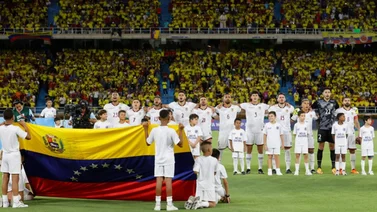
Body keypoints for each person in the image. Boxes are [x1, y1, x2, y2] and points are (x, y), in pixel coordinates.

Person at [144, 110, 184, 211]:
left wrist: (145, 129)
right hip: (169, 158)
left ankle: (157, 205)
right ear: (169, 118)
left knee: (158, 180)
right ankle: (169, 204)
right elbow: (181, 144)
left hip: (158, 158)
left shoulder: (154, 130)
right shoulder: (171, 131)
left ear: (158, 118)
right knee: (168, 180)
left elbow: (148, 143)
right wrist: (181, 130)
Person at [0, 109, 31, 208]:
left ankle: (4, 201)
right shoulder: (15, 129)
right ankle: (16, 202)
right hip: (14, 155)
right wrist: (24, 124)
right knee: (15, 179)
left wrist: (4, 122)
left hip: (5, 155)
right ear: (13, 117)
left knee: (5, 177)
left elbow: (2, 124)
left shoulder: (1, 128)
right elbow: (29, 137)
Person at [240, 91, 269, 174]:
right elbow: (236, 105)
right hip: (249, 131)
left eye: (256, 95)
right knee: (249, 149)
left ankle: (260, 168)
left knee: (260, 149)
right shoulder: (246, 105)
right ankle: (248, 168)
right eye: (253, 95)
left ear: (258, 97)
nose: (255, 97)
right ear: (251, 97)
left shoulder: (263, 106)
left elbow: (273, 107)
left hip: (260, 131)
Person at [311, 88, 339, 174]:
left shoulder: (334, 102)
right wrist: (316, 115)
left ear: (330, 94)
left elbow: (337, 110)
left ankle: (333, 167)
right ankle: (319, 167)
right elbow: (311, 108)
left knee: (332, 146)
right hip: (322, 127)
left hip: (332, 128)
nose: (327, 94)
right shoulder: (318, 102)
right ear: (323, 94)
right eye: (325, 92)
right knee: (321, 146)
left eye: (328, 92)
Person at [268, 93, 294, 174]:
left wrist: (292, 119)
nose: (281, 99)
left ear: (285, 99)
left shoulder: (290, 107)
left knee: (287, 150)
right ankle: (275, 168)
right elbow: (269, 113)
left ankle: (288, 168)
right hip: (276, 132)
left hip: (286, 131)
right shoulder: (273, 107)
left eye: (283, 97)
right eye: (280, 97)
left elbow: (296, 112)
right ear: (277, 99)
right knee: (274, 150)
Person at [335, 97, 360, 174]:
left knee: (352, 150)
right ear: (342, 102)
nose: (347, 102)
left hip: (351, 133)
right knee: (340, 151)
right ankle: (340, 169)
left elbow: (356, 121)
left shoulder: (354, 111)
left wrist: (359, 132)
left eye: (348, 100)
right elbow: (336, 122)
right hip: (342, 134)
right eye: (345, 100)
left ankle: (353, 168)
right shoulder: (338, 111)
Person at [291, 99, 317, 174]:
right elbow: (292, 120)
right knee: (299, 152)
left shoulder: (312, 112)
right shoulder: (297, 111)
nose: (306, 105)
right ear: (301, 104)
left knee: (310, 150)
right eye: (304, 103)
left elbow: (318, 118)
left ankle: (311, 168)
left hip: (309, 135)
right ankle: (297, 169)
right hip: (300, 136)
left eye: (308, 104)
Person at [191, 141, 218, 209]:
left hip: (200, 185)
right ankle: (199, 204)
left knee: (201, 199)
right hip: (209, 184)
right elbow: (215, 173)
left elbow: (195, 171)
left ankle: (197, 202)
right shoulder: (214, 160)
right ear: (209, 150)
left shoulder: (198, 159)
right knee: (213, 203)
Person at [215, 93, 241, 160]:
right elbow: (212, 112)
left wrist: (237, 104)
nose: (227, 98)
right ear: (223, 99)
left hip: (232, 132)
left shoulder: (235, 107)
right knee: (220, 149)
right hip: (223, 132)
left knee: (234, 149)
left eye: (229, 97)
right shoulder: (219, 108)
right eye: (226, 97)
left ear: (231, 99)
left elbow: (241, 109)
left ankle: (235, 169)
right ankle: (218, 165)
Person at [263, 111, 284, 176]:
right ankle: (269, 170)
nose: (270, 117)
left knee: (276, 157)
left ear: (275, 117)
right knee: (269, 156)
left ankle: (278, 170)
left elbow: (281, 135)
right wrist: (265, 144)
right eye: (269, 116)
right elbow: (264, 135)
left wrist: (283, 143)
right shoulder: (267, 125)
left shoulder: (279, 125)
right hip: (269, 143)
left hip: (277, 143)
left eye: (271, 116)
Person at [293, 111, 311, 176]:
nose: (303, 117)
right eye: (301, 116)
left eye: (304, 116)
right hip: (298, 142)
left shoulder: (307, 124)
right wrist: (297, 140)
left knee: (306, 155)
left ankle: (307, 170)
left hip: (305, 142)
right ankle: (296, 170)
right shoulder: (296, 125)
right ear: (298, 116)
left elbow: (308, 133)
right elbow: (295, 134)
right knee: (297, 155)